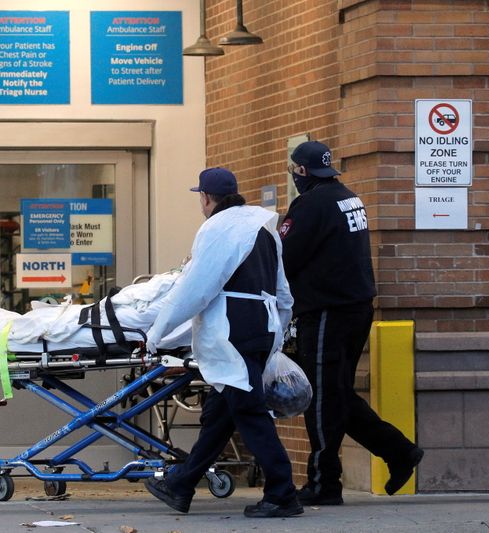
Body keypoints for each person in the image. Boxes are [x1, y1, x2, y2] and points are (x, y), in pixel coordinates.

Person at [143, 167, 302, 518]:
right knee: (221, 413)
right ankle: (181, 484)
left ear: (206, 197)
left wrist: (156, 334)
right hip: (262, 325)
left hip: (233, 331)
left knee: (248, 410)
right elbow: (282, 290)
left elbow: (196, 288)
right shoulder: (264, 229)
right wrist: (279, 331)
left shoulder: (216, 229)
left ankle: (282, 493)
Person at [279, 140, 423, 506]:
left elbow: (285, 257)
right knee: (338, 393)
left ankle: (324, 483)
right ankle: (399, 451)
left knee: (322, 398)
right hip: (355, 308)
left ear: (301, 171)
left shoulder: (311, 205)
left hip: (328, 311)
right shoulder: (348, 196)